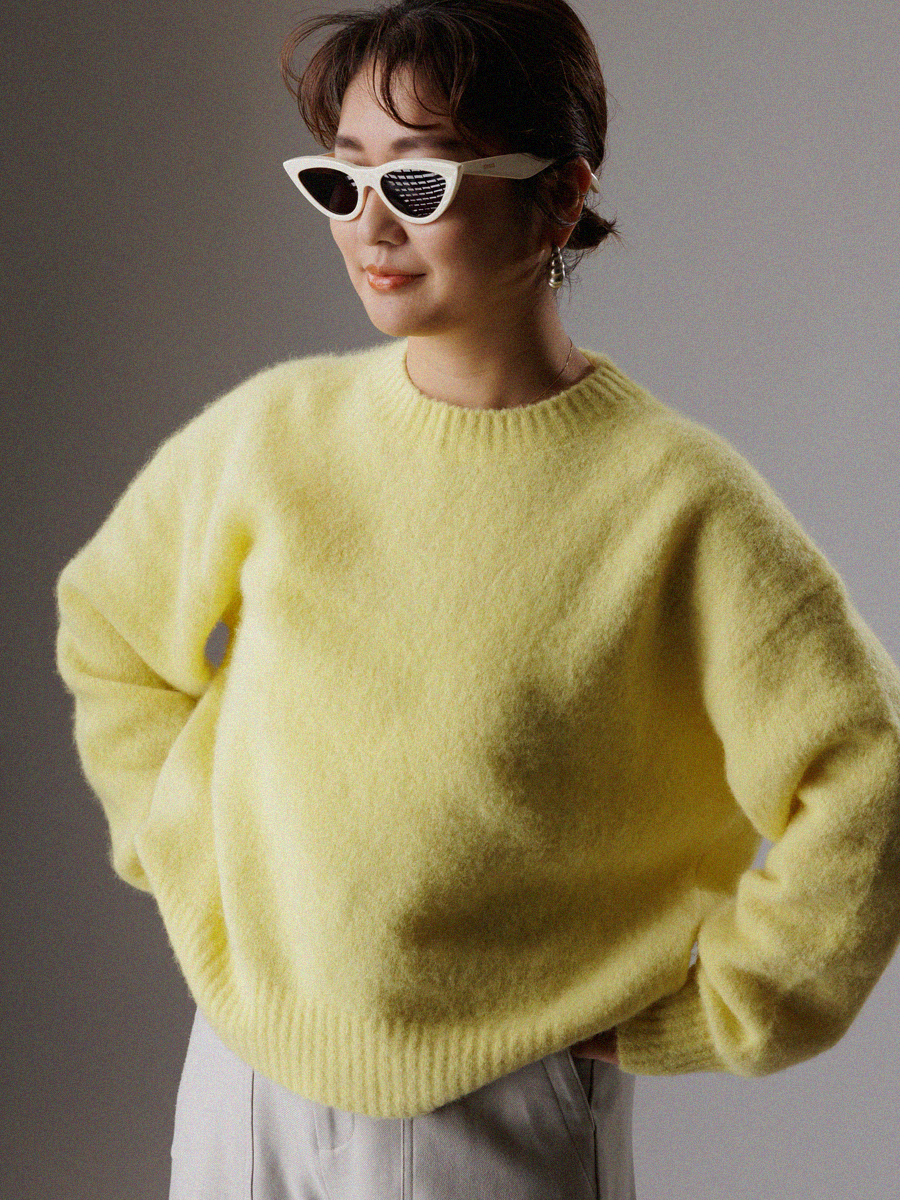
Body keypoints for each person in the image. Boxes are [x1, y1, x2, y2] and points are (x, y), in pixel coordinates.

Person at [53, 1, 900, 1198]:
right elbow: (109, 628)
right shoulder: (276, 435)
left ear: (558, 195)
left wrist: (735, 1002)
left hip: (492, 1105)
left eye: (418, 183)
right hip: (244, 1085)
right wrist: (182, 846)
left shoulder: (674, 501)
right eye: (340, 181)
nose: (369, 226)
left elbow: (868, 768)